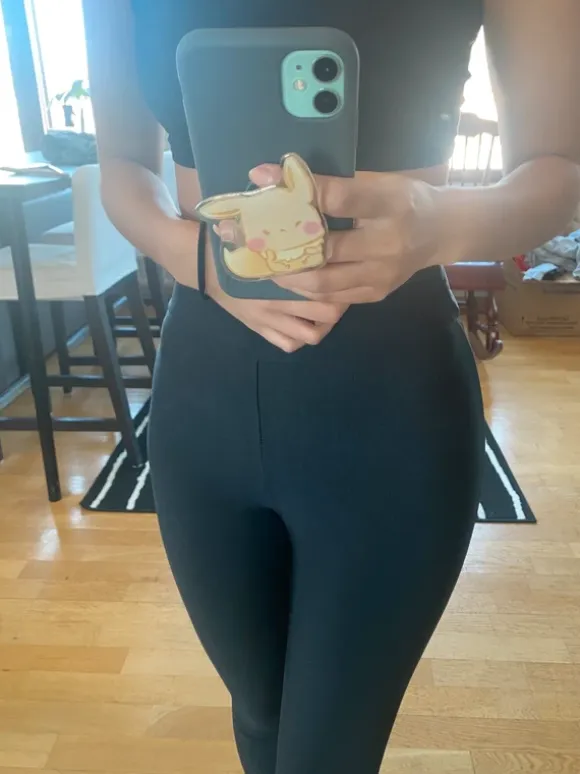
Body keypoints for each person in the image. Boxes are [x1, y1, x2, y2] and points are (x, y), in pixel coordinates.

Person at [83, 1, 580, 772]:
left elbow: (560, 173)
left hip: (391, 401)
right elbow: (122, 164)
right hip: (203, 394)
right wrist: (199, 262)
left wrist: (437, 222)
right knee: (259, 716)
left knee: (327, 756)